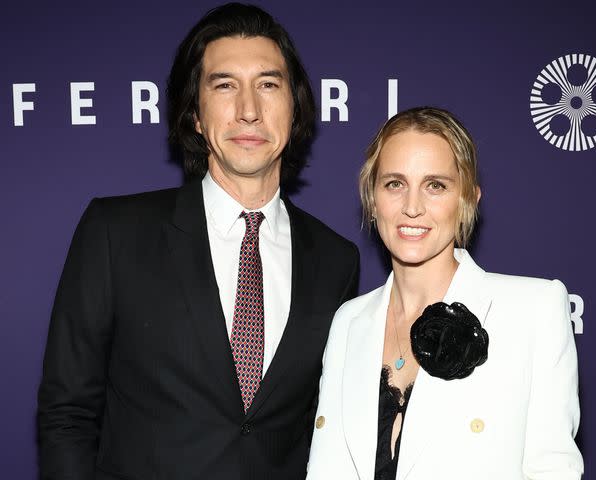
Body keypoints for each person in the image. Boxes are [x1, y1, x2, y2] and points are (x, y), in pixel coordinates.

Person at [37, 4, 359, 479]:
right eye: (225, 85)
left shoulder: (336, 259)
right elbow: (68, 414)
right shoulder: (115, 232)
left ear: (295, 108)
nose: (249, 110)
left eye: (268, 85)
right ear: (195, 115)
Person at [306, 106, 583, 479]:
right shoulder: (349, 321)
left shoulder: (532, 311)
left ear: (468, 198)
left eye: (435, 185)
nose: (412, 207)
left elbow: (553, 471)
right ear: (373, 200)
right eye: (394, 184)